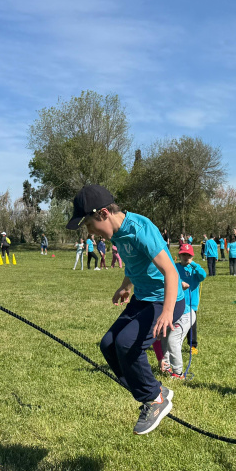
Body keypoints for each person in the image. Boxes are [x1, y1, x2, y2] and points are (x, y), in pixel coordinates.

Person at [68, 184, 182, 435]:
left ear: (103, 214)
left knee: (127, 344)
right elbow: (134, 264)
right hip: (142, 298)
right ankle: (153, 391)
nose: (89, 232)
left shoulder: (140, 229)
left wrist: (167, 312)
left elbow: (171, 272)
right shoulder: (116, 234)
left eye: (88, 224)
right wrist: (125, 286)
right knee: (108, 344)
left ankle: (155, 399)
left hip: (167, 299)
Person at [163, 243, 207, 379]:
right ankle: (167, 363)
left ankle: (192, 345)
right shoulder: (175, 267)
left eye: (188, 255)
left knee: (189, 328)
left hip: (190, 305)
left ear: (192, 256)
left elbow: (203, 276)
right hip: (175, 304)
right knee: (169, 335)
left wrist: (194, 265)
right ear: (179, 255)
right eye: (183, 255)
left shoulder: (194, 269)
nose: (185, 257)